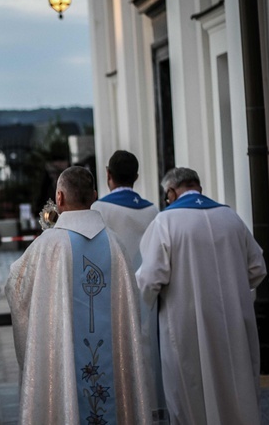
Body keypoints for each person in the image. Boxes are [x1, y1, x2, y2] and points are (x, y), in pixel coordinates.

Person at [6, 167, 151, 424]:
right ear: (94, 195)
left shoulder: (48, 245)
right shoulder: (116, 245)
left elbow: (16, 286)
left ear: (59, 198)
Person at [137, 167, 266, 424]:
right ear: (199, 188)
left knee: (190, 391)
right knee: (235, 387)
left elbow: (150, 279)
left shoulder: (166, 221)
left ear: (171, 192)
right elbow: (257, 268)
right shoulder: (231, 217)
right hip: (233, 323)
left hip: (186, 325)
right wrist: (233, 287)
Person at [90, 150, 165, 421]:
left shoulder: (99, 209)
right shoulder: (153, 209)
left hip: (112, 293)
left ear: (108, 175)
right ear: (136, 177)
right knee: (147, 350)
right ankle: (150, 406)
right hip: (147, 293)